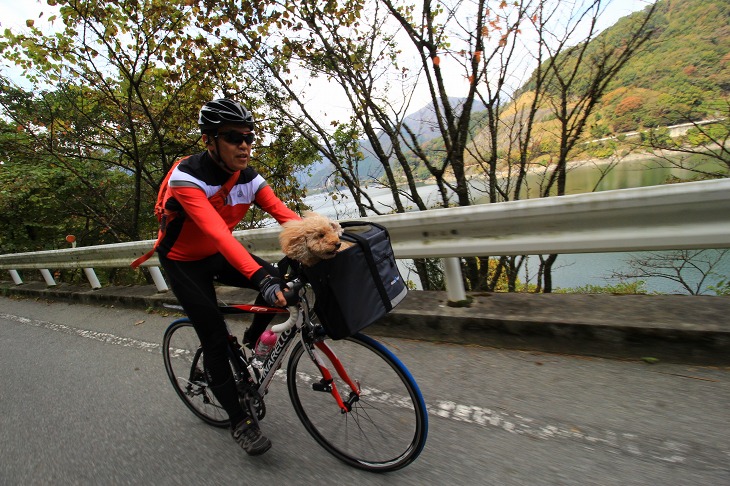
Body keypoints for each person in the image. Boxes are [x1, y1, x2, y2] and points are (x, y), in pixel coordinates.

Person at [157, 98, 300, 456]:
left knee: (279, 279)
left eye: (249, 137)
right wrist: (261, 282)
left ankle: (252, 344)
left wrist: (328, 240)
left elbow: (285, 216)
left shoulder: (249, 178)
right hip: (183, 261)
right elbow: (219, 234)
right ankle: (240, 422)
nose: (245, 145)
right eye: (234, 137)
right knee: (215, 339)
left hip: (217, 253)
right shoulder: (187, 177)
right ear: (209, 141)